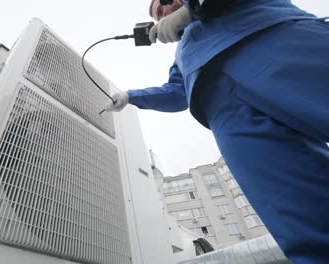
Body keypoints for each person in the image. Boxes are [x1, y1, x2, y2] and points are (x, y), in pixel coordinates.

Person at [105, 0, 329, 263]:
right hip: (227, 112)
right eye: (157, 15)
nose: (163, 12)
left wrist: (196, 7)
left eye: (164, 2)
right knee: (300, 215)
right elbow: (178, 92)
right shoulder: (184, 51)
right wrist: (131, 96)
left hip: (274, 41)